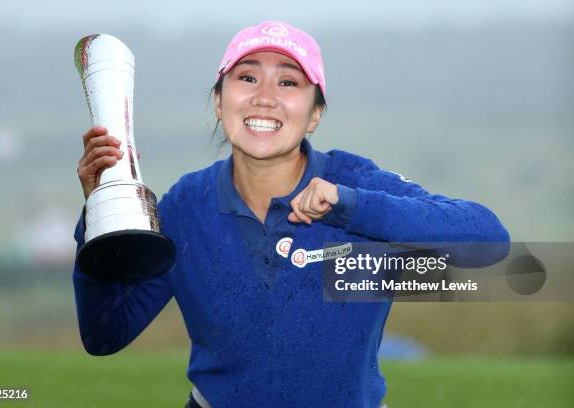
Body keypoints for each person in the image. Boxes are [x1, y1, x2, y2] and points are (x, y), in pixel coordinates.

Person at [73, 21, 510, 408]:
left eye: (288, 83)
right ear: (219, 103)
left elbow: (489, 241)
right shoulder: (186, 205)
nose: (264, 98)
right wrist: (98, 218)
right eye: (247, 78)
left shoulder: (355, 182)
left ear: (315, 114)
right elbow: (106, 334)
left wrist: (351, 206)